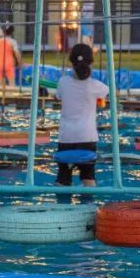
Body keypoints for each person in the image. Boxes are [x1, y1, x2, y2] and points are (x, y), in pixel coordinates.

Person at [55, 43, 109, 188]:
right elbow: (110, 92)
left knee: (62, 179)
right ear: (91, 63)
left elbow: (58, 96)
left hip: (66, 138)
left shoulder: (62, 82)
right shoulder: (96, 86)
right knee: (88, 178)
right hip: (87, 138)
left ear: (71, 62)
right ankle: (90, 202)